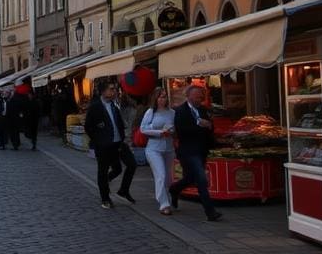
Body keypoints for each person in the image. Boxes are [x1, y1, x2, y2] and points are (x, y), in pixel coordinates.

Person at [169, 84, 222, 221]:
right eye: (197, 96)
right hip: (188, 151)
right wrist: (200, 125)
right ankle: (210, 212)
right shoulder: (181, 111)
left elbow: (210, 127)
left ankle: (174, 189)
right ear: (189, 96)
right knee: (201, 179)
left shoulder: (204, 110)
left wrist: (209, 125)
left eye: (201, 96)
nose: (200, 99)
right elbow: (181, 131)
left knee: (190, 179)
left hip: (201, 149)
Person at [84, 81, 137, 209]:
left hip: (118, 142)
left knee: (131, 164)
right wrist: (99, 140)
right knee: (103, 171)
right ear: (103, 91)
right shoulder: (95, 107)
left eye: (115, 89)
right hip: (104, 145)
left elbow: (118, 122)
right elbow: (88, 127)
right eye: (111, 89)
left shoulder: (114, 105)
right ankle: (105, 198)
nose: (114, 91)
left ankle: (123, 190)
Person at [140, 87, 176, 215]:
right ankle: (164, 204)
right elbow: (143, 129)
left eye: (165, 96)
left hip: (169, 148)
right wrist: (160, 132)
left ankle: (169, 199)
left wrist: (172, 131)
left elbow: (176, 128)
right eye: (160, 96)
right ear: (155, 98)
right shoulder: (151, 112)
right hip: (154, 148)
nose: (163, 99)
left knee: (168, 178)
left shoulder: (172, 113)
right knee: (160, 174)